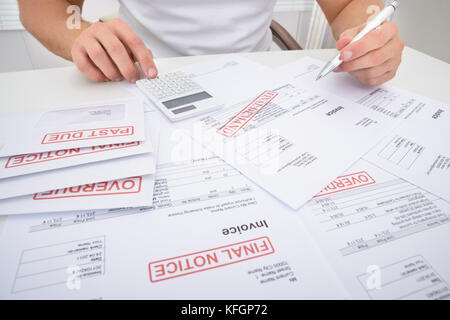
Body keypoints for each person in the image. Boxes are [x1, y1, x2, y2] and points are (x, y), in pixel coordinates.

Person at [18, 0, 404, 86]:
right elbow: (47, 12)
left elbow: (351, 5)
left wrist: (369, 34)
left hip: (256, 82)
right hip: (141, 80)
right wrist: (80, 35)